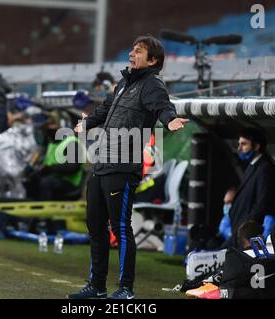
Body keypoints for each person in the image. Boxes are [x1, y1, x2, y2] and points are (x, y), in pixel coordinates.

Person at [68, 34, 188, 299]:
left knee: (120, 228)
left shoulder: (152, 84)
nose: (131, 54)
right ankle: (97, 286)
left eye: (138, 51)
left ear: (153, 60)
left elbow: (162, 107)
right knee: (96, 228)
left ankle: (126, 288)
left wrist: (169, 121)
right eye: (132, 49)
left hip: (122, 168)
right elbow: (105, 110)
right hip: (101, 165)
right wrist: (87, 123)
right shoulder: (124, 82)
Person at [226, 128, 275, 248]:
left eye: (244, 144)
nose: (239, 148)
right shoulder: (253, 166)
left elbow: (262, 202)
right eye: (239, 144)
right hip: (240, 231)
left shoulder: (265, 169)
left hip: (248, 234)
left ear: (256, 146)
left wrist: (245, 226)